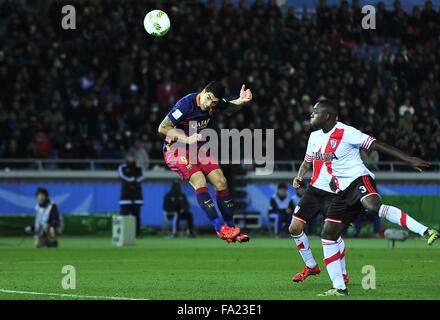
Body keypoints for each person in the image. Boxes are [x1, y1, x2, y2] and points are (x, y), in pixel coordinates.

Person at [306, 98, 438, 296]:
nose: (311, 114)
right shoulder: (316, 137)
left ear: (327, 116)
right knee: (328, 233)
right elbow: (330, 164)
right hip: (343, 190)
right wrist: (333, 180)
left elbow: (376, 145)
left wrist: (408, 159)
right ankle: (339, 287)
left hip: (359, 179)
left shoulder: (346, 132)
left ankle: (425, 231)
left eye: (315, 112)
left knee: (373, 206)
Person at [158, 81, 252, 244]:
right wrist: (186, 139)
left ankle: (231, 229)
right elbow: (163, 127)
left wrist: (241, 101)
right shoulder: (186, 104)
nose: (209, 104)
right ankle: (220, 229)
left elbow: (230, 107)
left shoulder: (214, 104)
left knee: (221, 181)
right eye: (207, 98)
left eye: (214, 102)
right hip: (175, 147)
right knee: (199, 180)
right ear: (203, 91)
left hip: (196, 147)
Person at [118, 152, 145, 238]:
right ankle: (122, 234)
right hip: (125, 197)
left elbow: (142, 177)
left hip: (137, 197)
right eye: (129, 157)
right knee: (124, 217)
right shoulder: (122, 168)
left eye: (132, 157)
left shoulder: (138, 168)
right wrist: (132, 180)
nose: (131, 159)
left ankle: (137, 234)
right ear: (126, 158)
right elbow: (122, 177)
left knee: (136, 217)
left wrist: (135, 180)